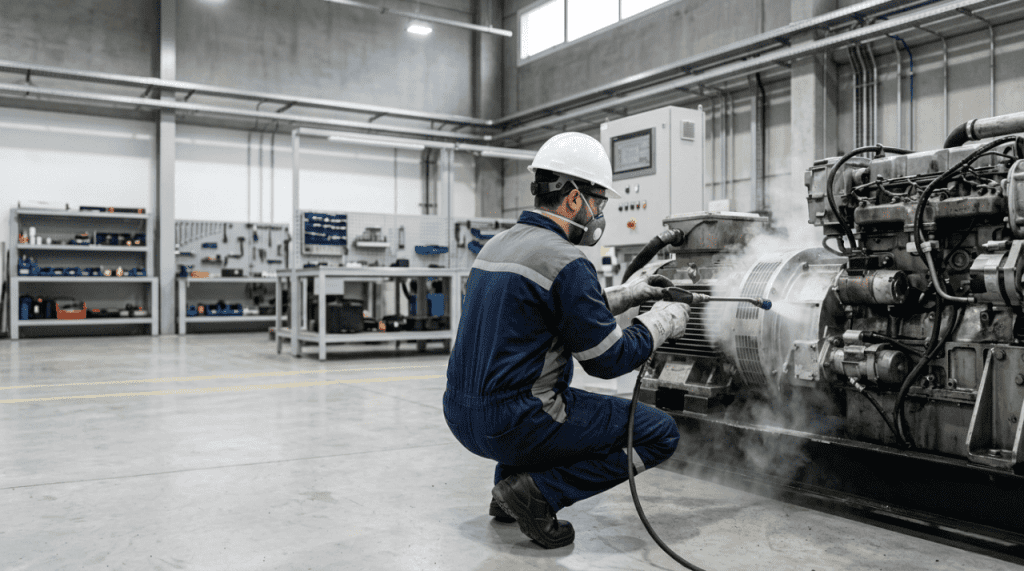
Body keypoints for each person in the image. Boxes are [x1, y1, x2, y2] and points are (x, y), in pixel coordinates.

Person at [443, 132, 691, 549]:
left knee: (519, 390)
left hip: (462, 416)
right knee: (660, 433)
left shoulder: (495, 247)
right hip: (517, 423)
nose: (599, 214)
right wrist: (661, 323)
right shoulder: (566, 259)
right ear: (575, 199)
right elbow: (608, 360)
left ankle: (507, 496)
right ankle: (540, 493)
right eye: (599, 203)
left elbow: (544, 314)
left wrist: (629, 294)